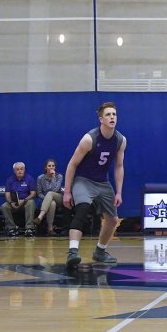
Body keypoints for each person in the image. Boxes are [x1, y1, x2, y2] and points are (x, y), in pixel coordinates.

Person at [63, 102, 127, 272]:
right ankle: (72, 252)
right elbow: (72, 164)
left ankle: (100, 251)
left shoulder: (120, 140)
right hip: (83, 180)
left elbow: (119, 166)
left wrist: (119, 192)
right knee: (83, 208)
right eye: (108, 115)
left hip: (103, 183)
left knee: (113, 220)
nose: (112, 117)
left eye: (114, 114)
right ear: (101, 119)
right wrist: (67, 191)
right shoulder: (89, 138)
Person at [1, 162, 37, 236]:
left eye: (21, 169)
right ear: (14, 171)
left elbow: (33, 194)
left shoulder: (29, 179)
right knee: (4, 206)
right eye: (17, 169)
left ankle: (29, 228)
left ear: (24, 170)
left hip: (25, 202)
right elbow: (7, 194)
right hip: (13, 203)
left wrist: (24, 200)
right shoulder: (10, 180)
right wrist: (11, 202)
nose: (19, 171)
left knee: (31, 203)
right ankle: (11, 228)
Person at [35, 159, 65, 235]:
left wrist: (53, 177)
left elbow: (56, 190)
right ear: (46, 168)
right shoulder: (40, 178)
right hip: (47, 200)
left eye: (53, 166)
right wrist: (47, 199)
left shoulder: (59, 176)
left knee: (50, 194)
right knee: (52, 203)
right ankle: (50, 228)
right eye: (49, 166)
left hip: (59, 197)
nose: (51, 167)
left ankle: (40, 217)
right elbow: (39, 193)